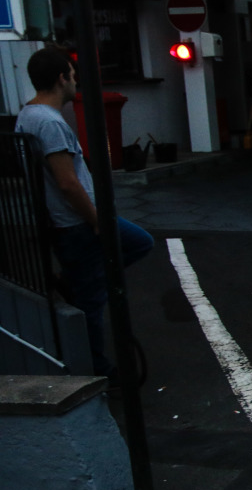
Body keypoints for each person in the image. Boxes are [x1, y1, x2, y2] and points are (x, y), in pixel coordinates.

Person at [14, 46, 154, 381]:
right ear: (62, 78)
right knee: (93, 300)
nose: (76, 83)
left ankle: (76, 287)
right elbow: (67, 183)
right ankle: (99, 373)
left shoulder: (28, 115)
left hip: (65, 223)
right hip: (77, 224)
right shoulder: (50, 124)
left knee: (130, 249)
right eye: (73, 76)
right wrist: (97, 221)